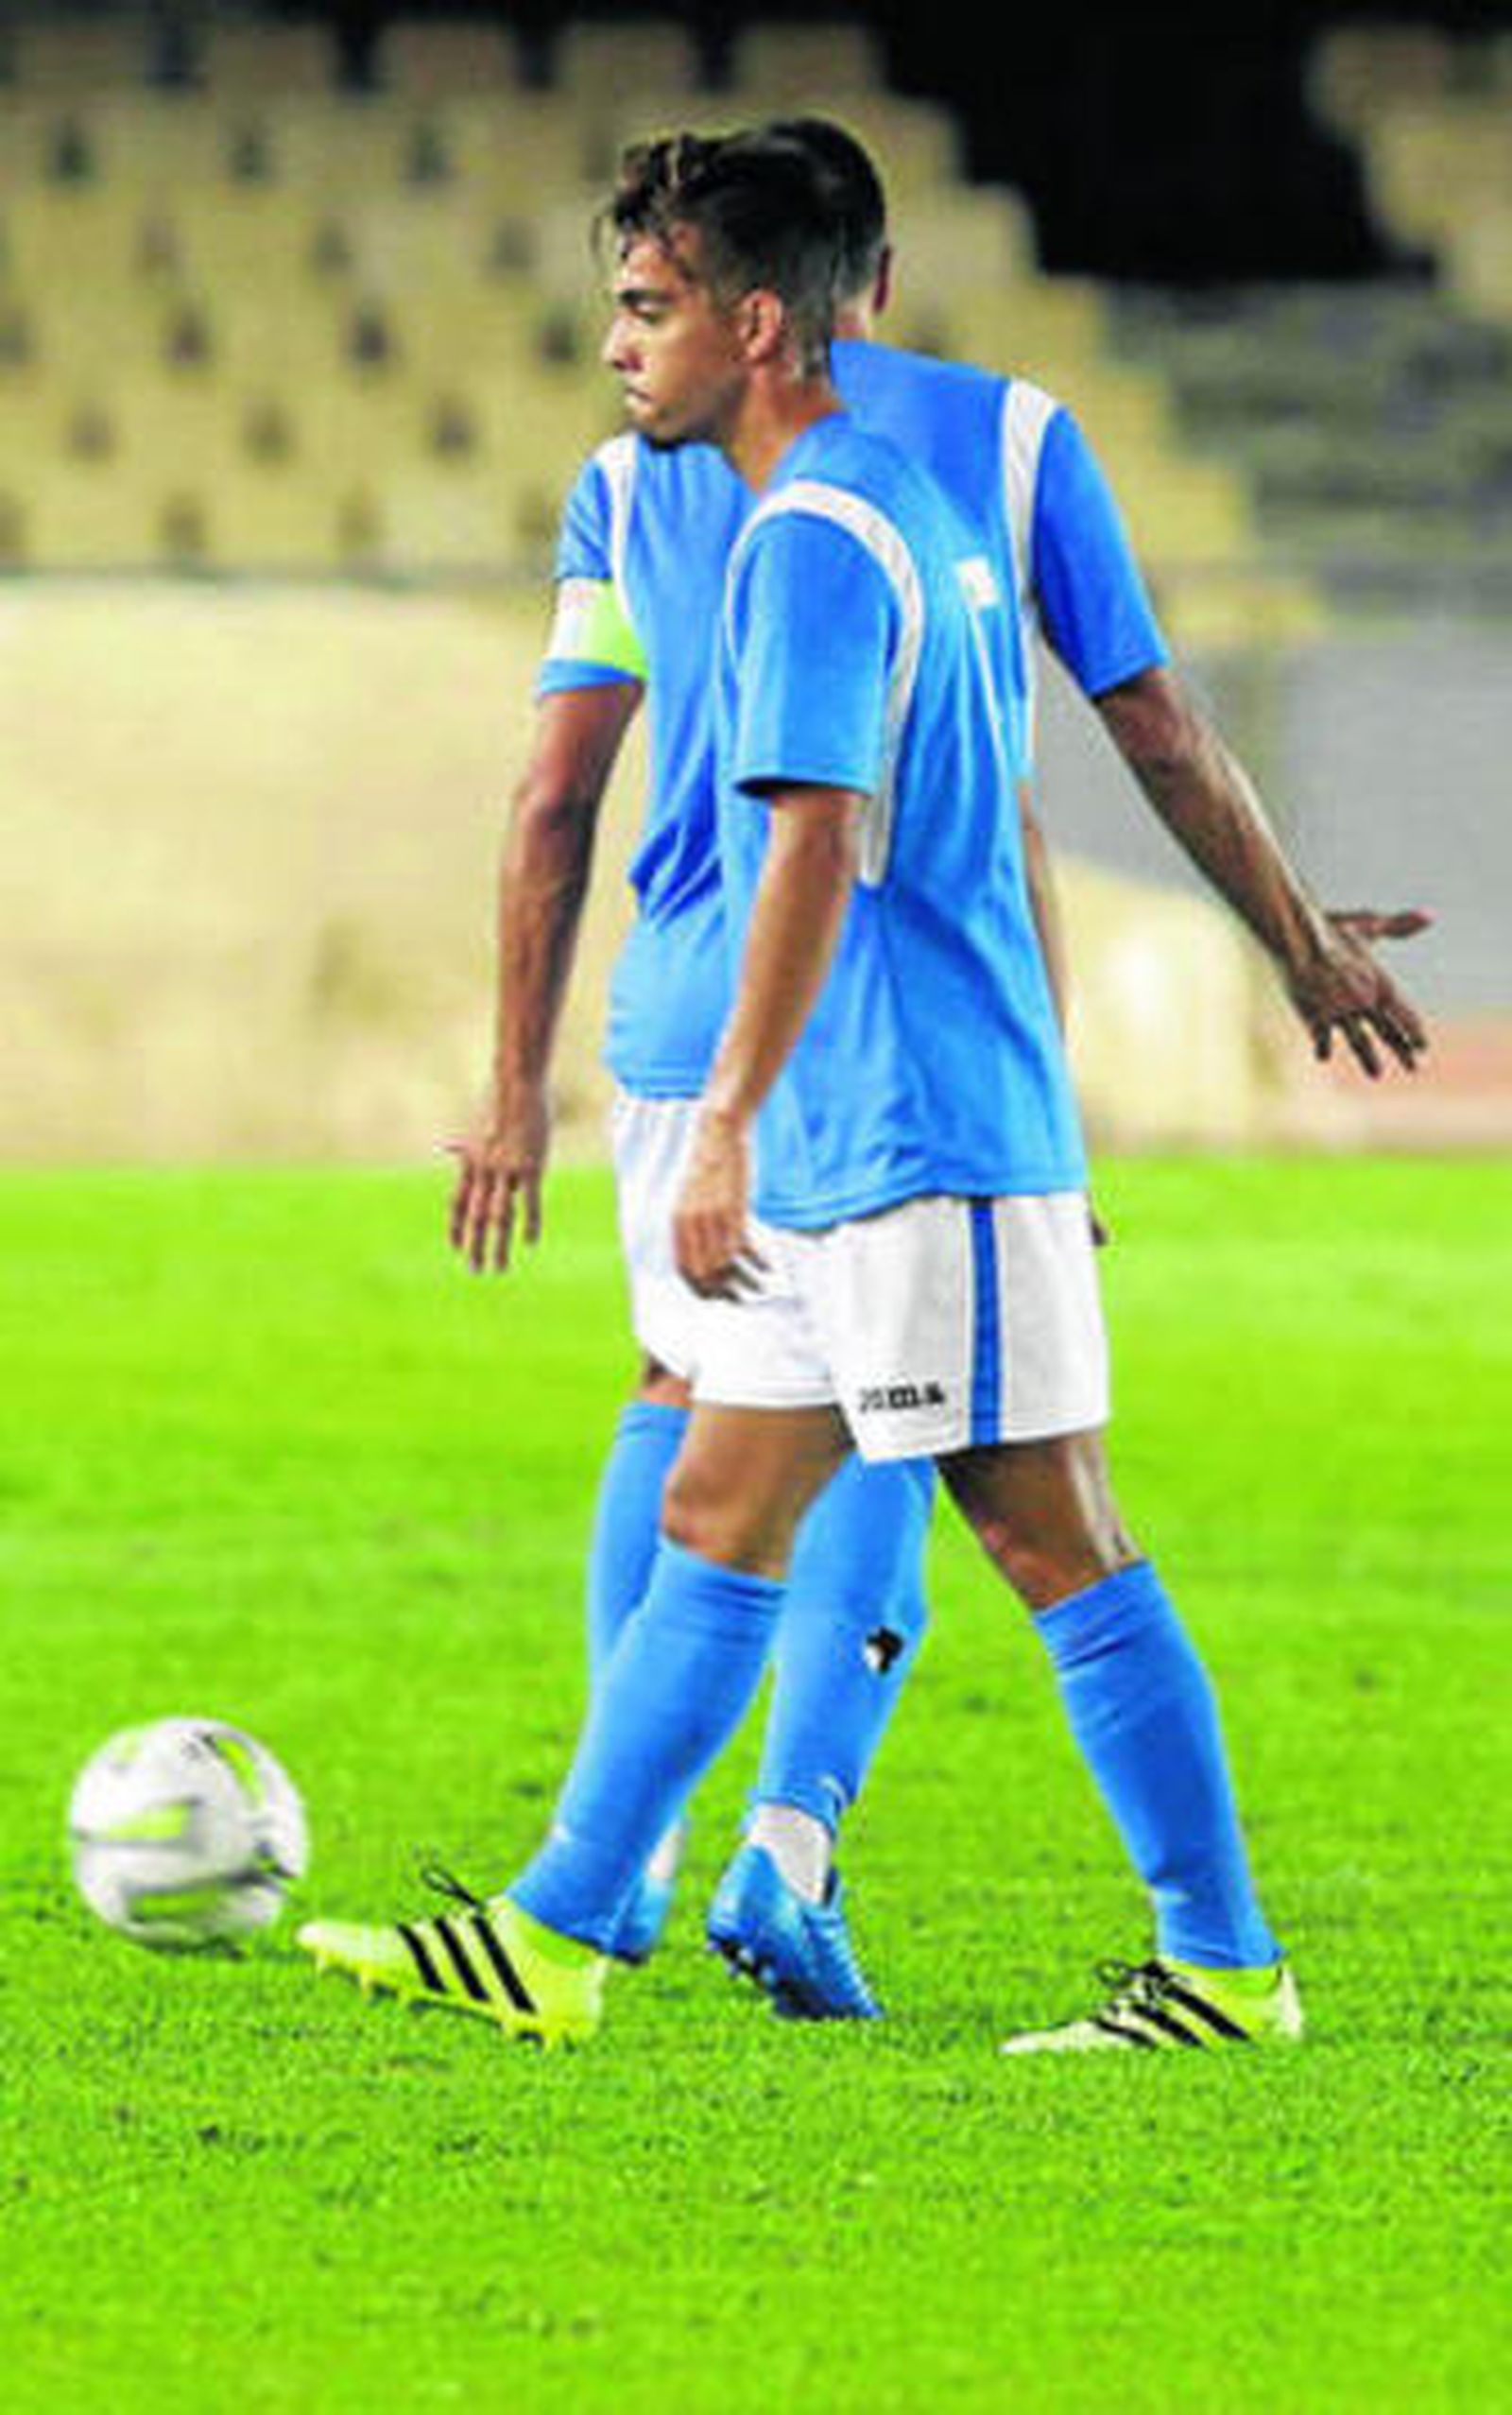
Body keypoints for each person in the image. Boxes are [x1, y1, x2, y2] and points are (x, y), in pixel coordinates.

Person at [301, 130, 1428, 2052]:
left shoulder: (819, 537)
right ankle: (564, 1927)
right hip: (862, 1123)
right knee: (719, 1504)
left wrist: (725, 1116)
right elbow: (1025, 785)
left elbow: (819, 839)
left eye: (644, 311)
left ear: (760, 323)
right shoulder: (899, 487)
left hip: (898, 1115)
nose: (608, 351)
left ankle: (1223, 1963)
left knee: (1043, 1531)